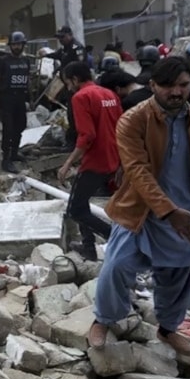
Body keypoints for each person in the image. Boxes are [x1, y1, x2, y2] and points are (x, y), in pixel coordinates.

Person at [89, 56, 190, 356]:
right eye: (168, 86)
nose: (176, 92)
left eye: (184, 85)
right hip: (140, 212)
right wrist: (168, 211)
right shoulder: (133, 120)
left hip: (186, 212)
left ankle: (168, 328)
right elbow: (137, 171)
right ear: (152, 85)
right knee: (116, 267)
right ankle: (103, 319)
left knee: (178, 277)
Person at [57, 62, 122, 261]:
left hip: (95, 160)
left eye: (68, 83)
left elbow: (87, 135)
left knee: (75, 209)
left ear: (75, 79)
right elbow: (122, 126)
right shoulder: (109, 94)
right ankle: (89, 248)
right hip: (113, 156)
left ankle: (116, 238)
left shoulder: (80, 97)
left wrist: (68, 163)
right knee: (82, 204)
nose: (68, 88)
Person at [0, 32, 31, 173]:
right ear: (10, 46)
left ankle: (14, 153)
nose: (16, 47)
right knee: (8, 130)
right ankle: (6, 160)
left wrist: (29, 99)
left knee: (20, 126)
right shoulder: (3, 61)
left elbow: (28, 80)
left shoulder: (26, 61)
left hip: (20, 100)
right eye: (14, 44)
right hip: (6, 100)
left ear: (23, 45)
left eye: (19, 44)